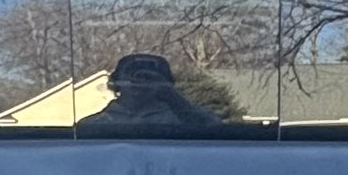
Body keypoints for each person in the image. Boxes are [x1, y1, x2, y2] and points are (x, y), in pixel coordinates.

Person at [81, 51, 237, 134]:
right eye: (132, 74)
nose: (140, 83)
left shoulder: (187, 122)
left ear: (166, 85)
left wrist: (174, 99)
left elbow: (216, 132)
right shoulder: (94, 126)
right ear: (116, 83)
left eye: (150, 77)